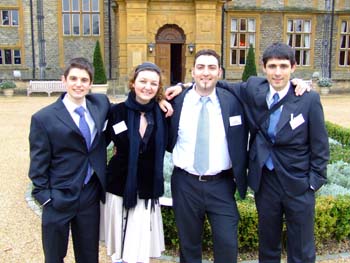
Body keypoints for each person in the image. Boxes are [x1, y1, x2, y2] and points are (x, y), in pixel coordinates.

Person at [218, 42, 329, 263]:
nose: (277, 72)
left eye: (283, 66)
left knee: (301, 249)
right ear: (264, 67)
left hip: (298, 183)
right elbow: (218, 85)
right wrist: (183, 86)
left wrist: (313, 182)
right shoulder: (253, 88)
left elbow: (320, 145)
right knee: (268, 245)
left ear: (293, 68)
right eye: (272, 66)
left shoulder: (308, 99)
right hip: (265, 181)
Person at [166, 49, 249, 263]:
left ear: (220, 73)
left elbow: (265, 85)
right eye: (201, 67)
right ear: (192, 72)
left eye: (212, 68)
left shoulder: (233, 101)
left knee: (227, 245)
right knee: (189, 247)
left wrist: (298, 82)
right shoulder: (175, 102)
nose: (206, 73)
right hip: (185, 184)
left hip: (221, 185)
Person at [28, 57, 110, 263]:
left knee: (89, 257)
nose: (78, 84)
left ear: (91, 83)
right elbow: (38, 164)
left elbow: (130, 107)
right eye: (73, 78)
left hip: (90, 195)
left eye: (84, 80)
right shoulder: (43, 118)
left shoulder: (100, 104)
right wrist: (46, 197)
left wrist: (169, 95)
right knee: (54, 257)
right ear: (64, 80)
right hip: (58, 196)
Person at [100, 62, 167, 263]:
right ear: (133, 83)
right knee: (120, 248)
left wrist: (171, 94)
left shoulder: (164, 114)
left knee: (139, 246)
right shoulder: (116, 112)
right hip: (119, 187)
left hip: (147, 189)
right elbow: (99, 145)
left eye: (153, 83)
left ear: (159, 88)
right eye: (143, 81)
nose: (147, 87)